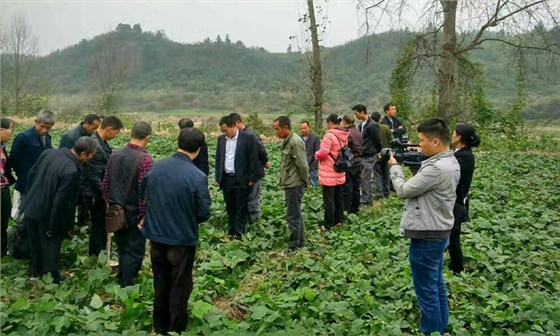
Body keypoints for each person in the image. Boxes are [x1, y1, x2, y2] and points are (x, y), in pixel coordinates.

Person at [388, 118, 460, 335]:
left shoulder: (436, 169)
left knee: (426, 290)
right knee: (436, 285)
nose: (418, 146)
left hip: (427, 235)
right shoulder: (450, 162)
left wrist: (395, 167)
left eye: (421, 141)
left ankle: (430, 331)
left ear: (436, 141)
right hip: (439, 230)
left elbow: (403, 190)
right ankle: (440, 328)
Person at [140, 127, 211, 334]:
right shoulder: (196, 176)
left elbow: (143, 195)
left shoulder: (156, 168)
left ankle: (159, 326)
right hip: (181, 240)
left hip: (156, 237)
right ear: (198, 149)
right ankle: (175, 328)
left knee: (160, 283)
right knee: (179, 287)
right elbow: (204, 211)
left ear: (178, 142)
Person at [19, 137, 98, 282]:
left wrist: (30, 197)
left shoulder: (49, 153)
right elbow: (61, 202)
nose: (91, 159)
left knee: (34, 242)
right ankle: (51, 279)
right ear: (83, 154)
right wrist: (55, 227)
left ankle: (34, 271)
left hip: (32, 206)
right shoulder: (71, 170)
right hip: (48, 213)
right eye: (91, 155)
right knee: (50, 247)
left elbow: (31, 174)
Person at [103, 122, 153, 287]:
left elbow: (106, 182)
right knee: (135, 249)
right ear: (147, 138)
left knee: (123, 246)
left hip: (116, 210)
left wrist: (109, 205)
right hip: (133, 211)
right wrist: (144, 215)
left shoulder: (115, 154)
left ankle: (122, 277)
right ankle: (127, 285)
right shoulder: (144, 159)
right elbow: (144, 191)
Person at [80, 116, 123, 256]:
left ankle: (102, 251)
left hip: (99, 190)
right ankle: (95, 253)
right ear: (109, 129)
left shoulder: (102, 143)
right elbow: (94, 176)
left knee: (102, 224)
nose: (115, 136)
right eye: (115, 133)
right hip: (94, 192)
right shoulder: (95, 145)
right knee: (98, 225)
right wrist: (106, 196)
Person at [214, 115, 258, 239]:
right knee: (230, 206)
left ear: (233, 126)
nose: (224, 133)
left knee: (241, 206)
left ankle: (239, 232)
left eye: (226, 130)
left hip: (242, 178)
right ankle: (231, 230)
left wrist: (252, 178)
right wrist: (218, 177)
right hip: (227, 178)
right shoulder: (221, 139)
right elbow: (219, 159)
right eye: (222, 131)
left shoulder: (248, 138)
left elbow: (253, 160)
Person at [274, 116, 309, 251]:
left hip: (295, 183)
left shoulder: (295, 142)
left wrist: (305, 181)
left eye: (277, 129)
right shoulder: (288, 141)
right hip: (290, 182)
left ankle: (294, 245)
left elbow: (303, 165)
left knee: (292, 215)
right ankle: (300, 242)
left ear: (286, 128)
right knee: (296, 213)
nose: (276, 132)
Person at [449, 123, 480, 274]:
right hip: (455, 201)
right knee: (450, 236)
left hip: (456, 202)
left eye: (454, 133)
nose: (452, 135)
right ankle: (455, 266)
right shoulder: (460, 153)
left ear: (460, 137)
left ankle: (457, 269)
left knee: (453, 238)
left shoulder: (464, 156)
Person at [230, 113, 270, 223]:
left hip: (255, 173)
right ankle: (248, 222)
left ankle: (256, 225)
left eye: (232, 126)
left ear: (237, 123)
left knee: (253, 200)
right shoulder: (242, 134)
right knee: (247, 199)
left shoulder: (250, 134)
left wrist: (264, 161)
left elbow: (261, 150)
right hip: (246, 173)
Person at [314, 114, 349, 233]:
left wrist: (316, 154)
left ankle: (328, 224)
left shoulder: (329, 135)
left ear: (329, 122)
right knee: (338, 197)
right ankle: (339, 220)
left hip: (329, 171)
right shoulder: (344, 134)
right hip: (339, 170)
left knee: (328, 199)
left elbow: (323, 153)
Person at [9, 109, 55, 198]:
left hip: (41, 182)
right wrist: (24, 173)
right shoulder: (23, 137)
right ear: (36, 122)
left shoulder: (48, 138)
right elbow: (14, 160)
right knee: (21, 209)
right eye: (42, 126)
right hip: (25, 182)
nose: (44, 130)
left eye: (48, 128)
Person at [352, 104, 382, 206]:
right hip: (363, 155)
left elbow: (377, 140)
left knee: (365, 178)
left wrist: (379, 152)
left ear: (362, 112)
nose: (355, 116)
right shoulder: (361, 125)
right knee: (364, 178)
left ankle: (366, 200)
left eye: (356, 113)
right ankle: (367, 198)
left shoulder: (372, 125)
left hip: (369, 155)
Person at [341, 115, 363, 214]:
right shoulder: (358, 132)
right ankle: (356, 207)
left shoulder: (347, 133)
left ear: (345, 122)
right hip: (359, 161)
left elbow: (345, 148)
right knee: (356, 186)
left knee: (348, 187)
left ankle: (347, 209)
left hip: (351, 162)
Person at [1, 118, 16, 257]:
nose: (12, 134)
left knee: (3, 223)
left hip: (4, 190)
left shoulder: (2, 146)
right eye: (11, 130)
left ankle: (2, 254)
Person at [372, 111, 393, 199]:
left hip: (376, 153)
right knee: (386, 173)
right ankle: (387, 192)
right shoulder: (386, 127)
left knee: (377, 173)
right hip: (386, 153)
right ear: (380, 118)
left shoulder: (371, 128)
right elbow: (391, 140)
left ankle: (379, 193)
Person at [300, 121, 321, 187]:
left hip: (312, 167)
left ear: (309, 127)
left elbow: (317, 153)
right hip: (301, 167)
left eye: (305, 128)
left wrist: (313, 165)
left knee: (313, 186)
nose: (303, 130)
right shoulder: (298, 138)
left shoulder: (315, 138)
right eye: (302, 128)